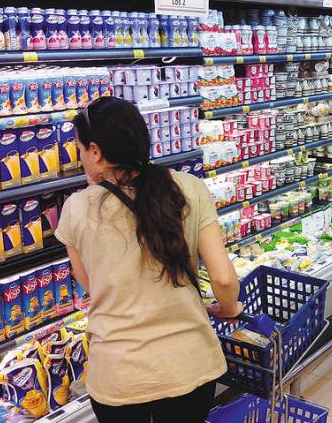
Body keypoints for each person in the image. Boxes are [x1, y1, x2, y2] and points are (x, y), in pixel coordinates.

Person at [55, 97, 242, 422]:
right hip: (190, 365)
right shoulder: (189, 188)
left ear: (96, 152)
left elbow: (89, 283)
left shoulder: (76, 208)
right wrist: (228, 307)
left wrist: (93, 190)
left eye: (81, 149)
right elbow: (223, 278)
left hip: (119, 376)